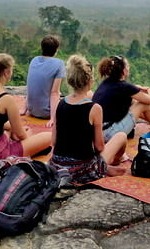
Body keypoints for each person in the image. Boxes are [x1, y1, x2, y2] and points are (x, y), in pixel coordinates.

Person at [49, 55, 127, 183]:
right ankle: (113, 162)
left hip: (57, 166)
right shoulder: (94, 108)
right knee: (121, 136)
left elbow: (53, 140)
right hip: (82, 170)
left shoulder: (60, 103)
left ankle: (106, 167)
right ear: (90, 81)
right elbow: (99, 147)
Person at [0, 53, 52, 167]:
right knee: (47, 136)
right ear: (6, 72)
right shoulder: (6, 99)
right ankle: (25, 154)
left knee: (10, 131)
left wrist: (12, 130)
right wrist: (28, 139)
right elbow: (21, 135)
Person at [92, 55, 150, 142]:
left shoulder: (107, 82)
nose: (129, 68)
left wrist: (134, 89)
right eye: (127, 66)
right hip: (109, 133)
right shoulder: (124, 87)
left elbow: (123, 94)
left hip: (98, 132)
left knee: (133, 102)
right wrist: (149, 90)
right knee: (142, 104)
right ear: (123, 71)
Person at [24, 35, 66, 127]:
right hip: (46, 113)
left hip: (31, 110)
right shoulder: (59, 64)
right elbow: (54, 93)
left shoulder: (34, 60)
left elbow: (31, 85)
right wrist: (52, 118)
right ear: (56, 50)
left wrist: (24, 109)